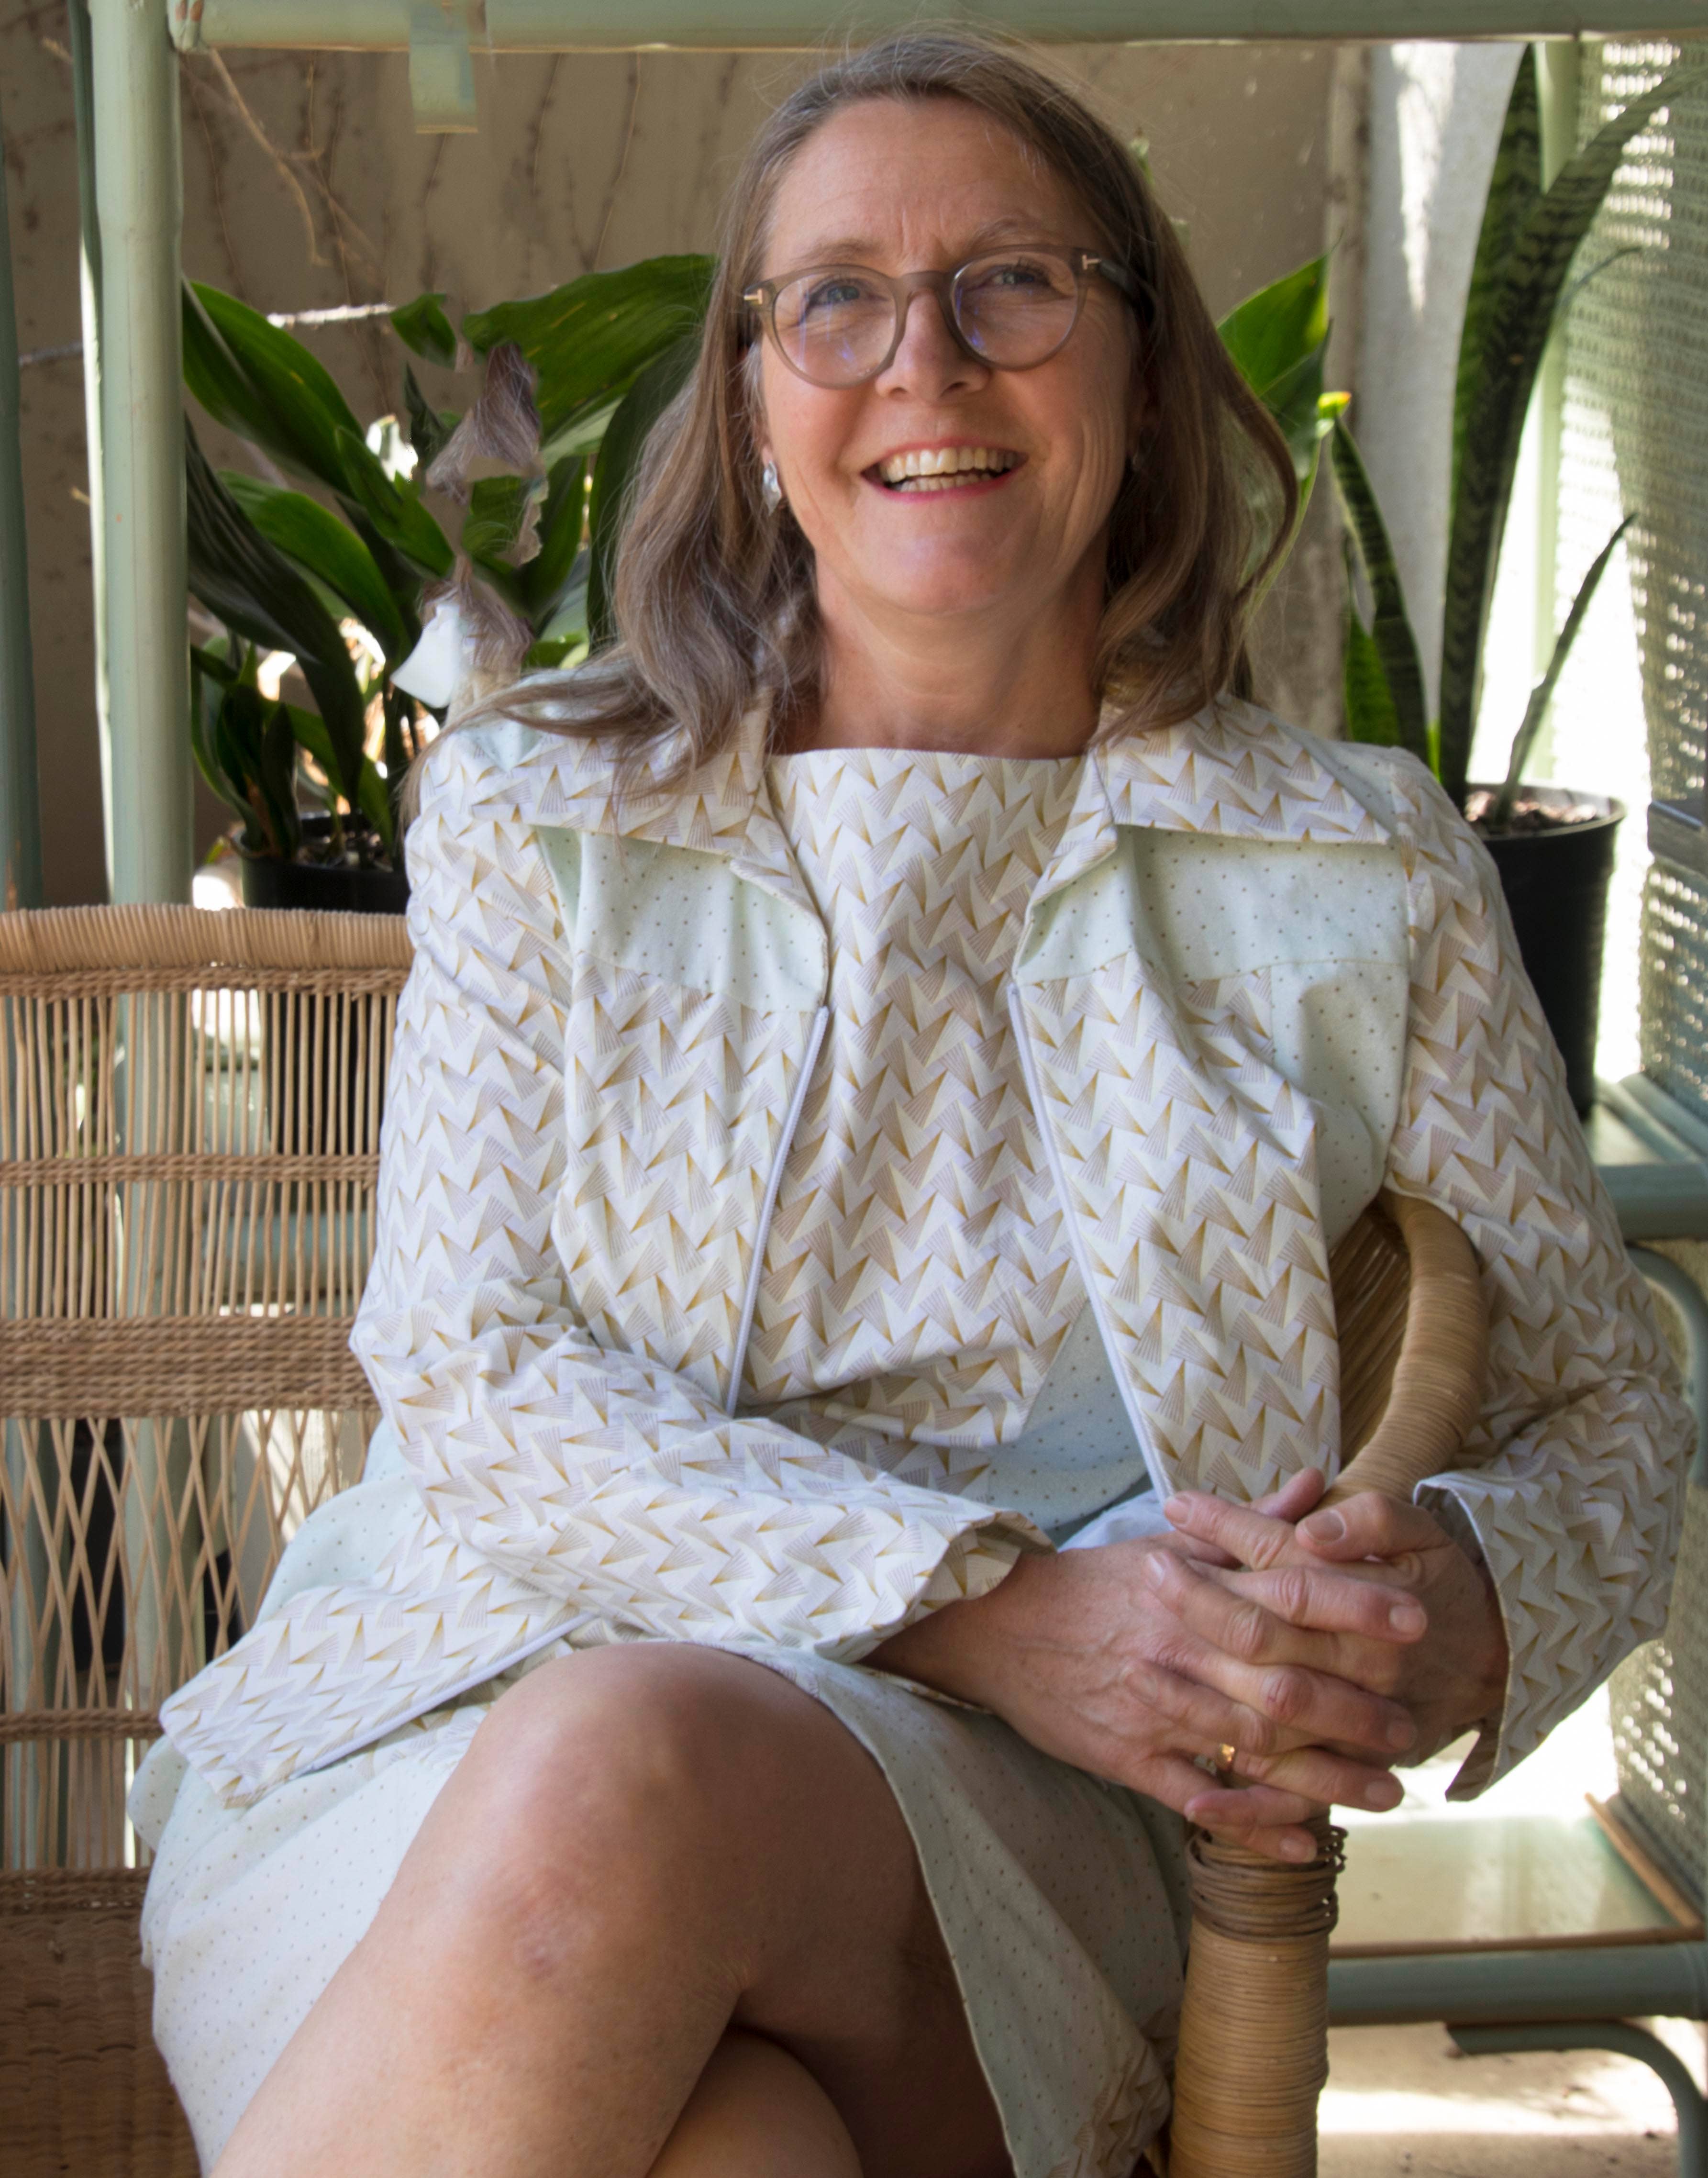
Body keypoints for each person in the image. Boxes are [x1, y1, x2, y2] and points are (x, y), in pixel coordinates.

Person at [131, 30, 1689, 2178]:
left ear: (1140, 371)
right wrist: (993, 1613)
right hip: (442, 1724)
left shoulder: (1353, 871)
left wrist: (1443, 1619)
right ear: (752, 402)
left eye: (1012, 285)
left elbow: (1605, 1409)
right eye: (838, 299)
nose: (923, 362)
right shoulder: (545, 816)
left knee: (628, 1764)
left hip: (1006, 1839)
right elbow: (470, 1365)